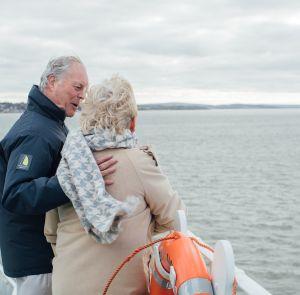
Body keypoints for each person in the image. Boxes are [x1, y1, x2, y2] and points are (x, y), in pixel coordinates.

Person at [45, 75, 185, 295]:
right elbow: (175, 218)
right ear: (132, 122)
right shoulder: (138, 161)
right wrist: (140, 226)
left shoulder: (68, 161)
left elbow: (51, 232)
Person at [0, 56, 115, 295]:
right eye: (77, 87)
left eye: (85, 89)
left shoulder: (50, 124)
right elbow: (15, 194)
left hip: (39, 256)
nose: (82, 95)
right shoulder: (36, 132)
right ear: (52, 82)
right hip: (36, 262)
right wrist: (76, 179)